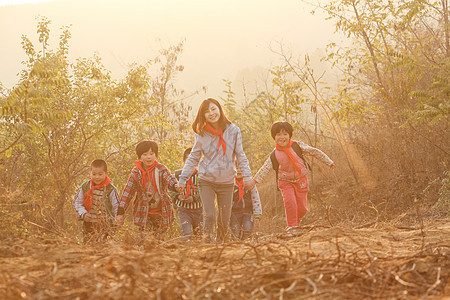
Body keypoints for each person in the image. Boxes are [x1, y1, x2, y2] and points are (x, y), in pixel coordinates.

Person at [176, 98, 253, 243]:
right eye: (206, 112)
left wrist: (247, 176)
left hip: (227, 181)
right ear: (203, 116)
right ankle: (207, 244)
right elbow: (193, 157)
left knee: (224, 218)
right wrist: (182, 179)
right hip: (207, 180)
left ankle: (221, 248)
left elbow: (240, 154)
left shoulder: (233, 130)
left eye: (213, 109)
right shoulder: (201, 134)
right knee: (209, 215)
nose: (211, 113)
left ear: (219, 109)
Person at [248, 121, 335, 231]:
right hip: (285, 182)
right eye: (278, 134)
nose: (282, 137)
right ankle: (292, 226)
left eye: (285, 134)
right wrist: (254, 181)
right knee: (290, 203)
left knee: (302, 209)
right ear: (274, 137)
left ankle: (296, 222)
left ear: (289, 135)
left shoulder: (297, 146)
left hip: (301, 180)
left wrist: (328, 162)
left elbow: (314, 151)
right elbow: (264, 169)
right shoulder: (274, 154)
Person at [115, 140, 178, 240]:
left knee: (160, 239)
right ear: (140, 156)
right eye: (145, 154)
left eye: (151, 154)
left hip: (161, 211)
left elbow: (169, 179)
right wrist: (120, 212)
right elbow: (128, 192)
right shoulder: (136, 172)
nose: (149, 157)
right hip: (143, 212)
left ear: (156, 155)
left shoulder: (161, 169)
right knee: (145, 239)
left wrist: (175, 186)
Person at [73, 159, 120, 242]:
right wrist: (83, 214)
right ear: (90, 172)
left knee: (104, 246)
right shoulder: (85, 187)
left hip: (105, 224)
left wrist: (116, 221)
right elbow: (77, 202)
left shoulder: (111, 189)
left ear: (106, 173)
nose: (97, 177)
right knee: (88, 245)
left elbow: (116, 206)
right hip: (89, 223)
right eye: (94, 174)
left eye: (100, 174)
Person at [173, 147, 203, 240]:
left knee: (199, 234)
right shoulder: (177, 175)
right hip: (183, 210)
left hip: (199, 210)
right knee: (187, 233)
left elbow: (204, 191)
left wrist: (194, 198)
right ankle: (186, 251)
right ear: (184, 161)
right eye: (188, 160)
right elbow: (170, 189)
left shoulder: (201, 175)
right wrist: (178, 196)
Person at [230, 167, 262, 240]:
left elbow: (255, 199)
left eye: (241, 168)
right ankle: (234, 248)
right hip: (235, 213)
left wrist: (257, 215)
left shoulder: (250, 184)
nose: (239, 170)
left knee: (248, 230)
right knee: (235, 232)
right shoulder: (230, 184)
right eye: (236, 168)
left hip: (248, 212)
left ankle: (246, 247)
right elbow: (227, 200)